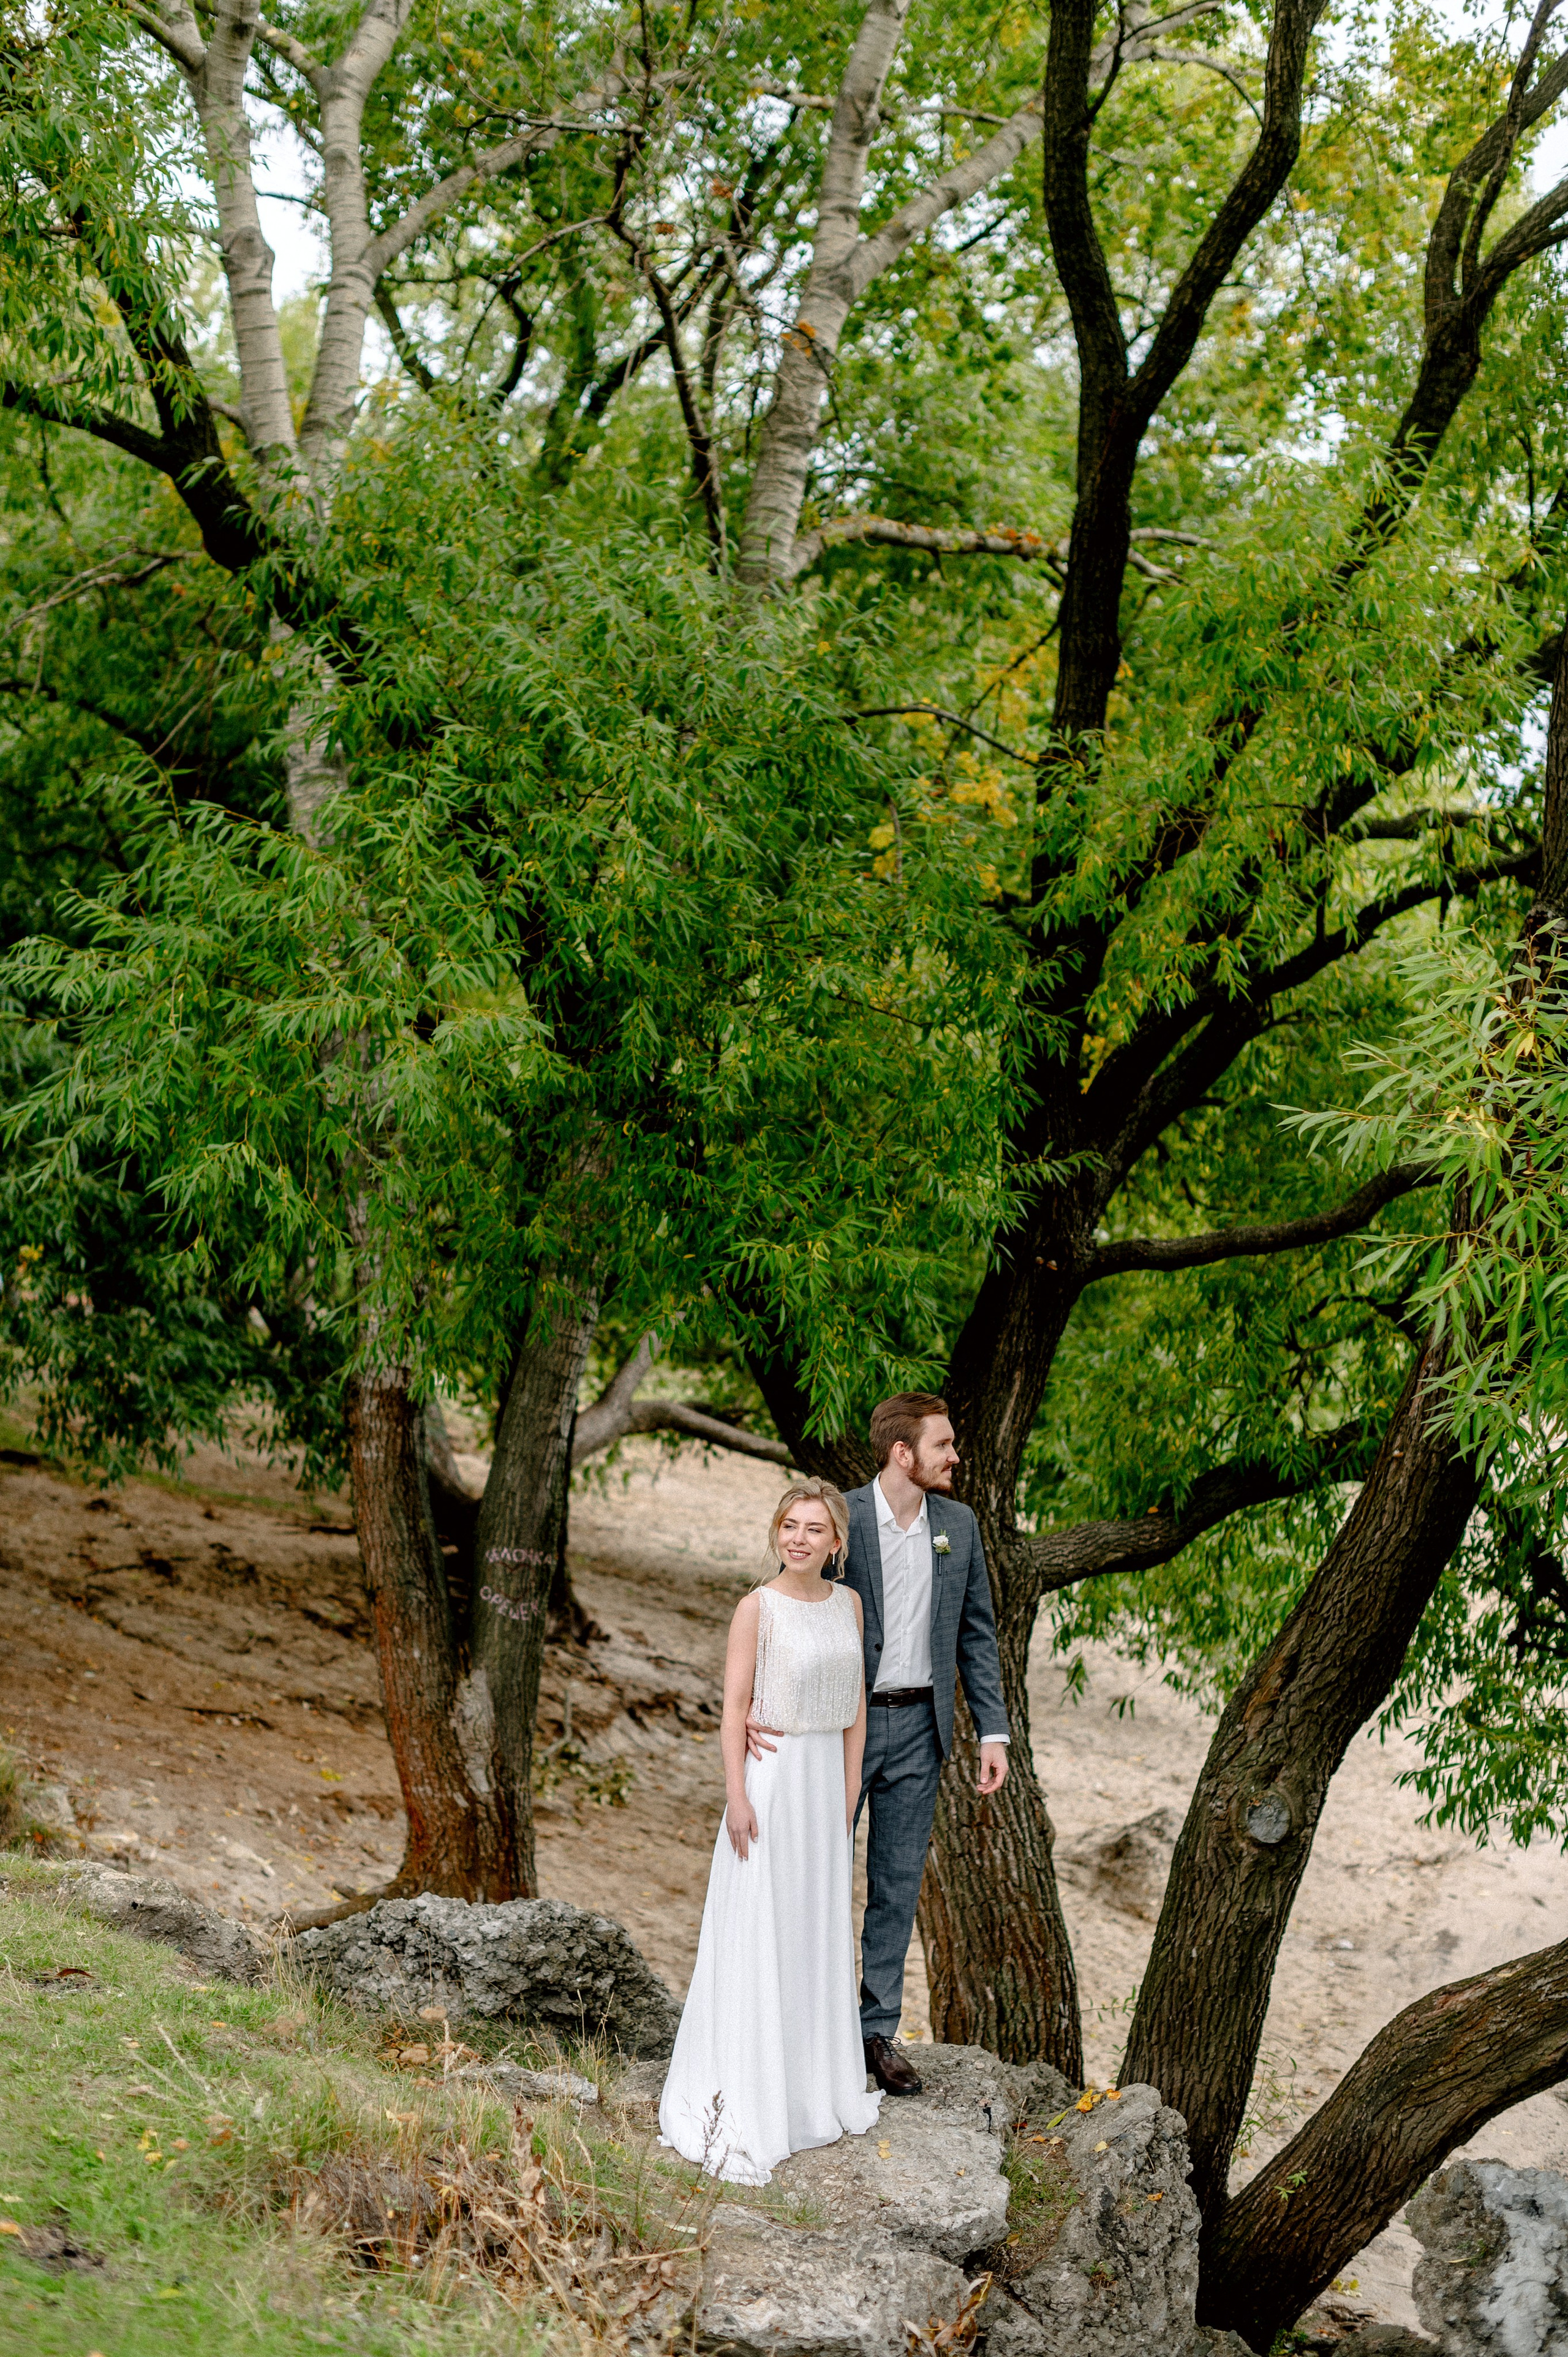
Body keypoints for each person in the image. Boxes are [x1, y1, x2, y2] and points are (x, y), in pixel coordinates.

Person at [748, 1393, 1009, 2097]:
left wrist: (992, 1729)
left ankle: (874, 2031)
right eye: (942, 1444)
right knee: (815, 1867)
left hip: (921, 1728)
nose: (954, 1455)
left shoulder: (958, 1524)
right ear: (903, 1452)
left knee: (896, 1886)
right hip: (837, 1726)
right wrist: (757, 1703)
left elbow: (976, 1632)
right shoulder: (846, 1518)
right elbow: (789, 1597)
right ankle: (803, 2020)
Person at [658, 1477, 882, 2184]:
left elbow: (856, 1708)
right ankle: (750, 2091)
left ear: (837, 1542)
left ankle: (809, 2087)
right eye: (789, 1524)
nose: (799, 1538)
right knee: (763, 1924)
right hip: (774, 1780)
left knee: (814, 1930)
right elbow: (731, 1708)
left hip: (824, 1789)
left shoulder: (848, 1604)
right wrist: (736, 1793)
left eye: (814, 1528)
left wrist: (848, 1797)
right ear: (776, 1531)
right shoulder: (756, 1607)